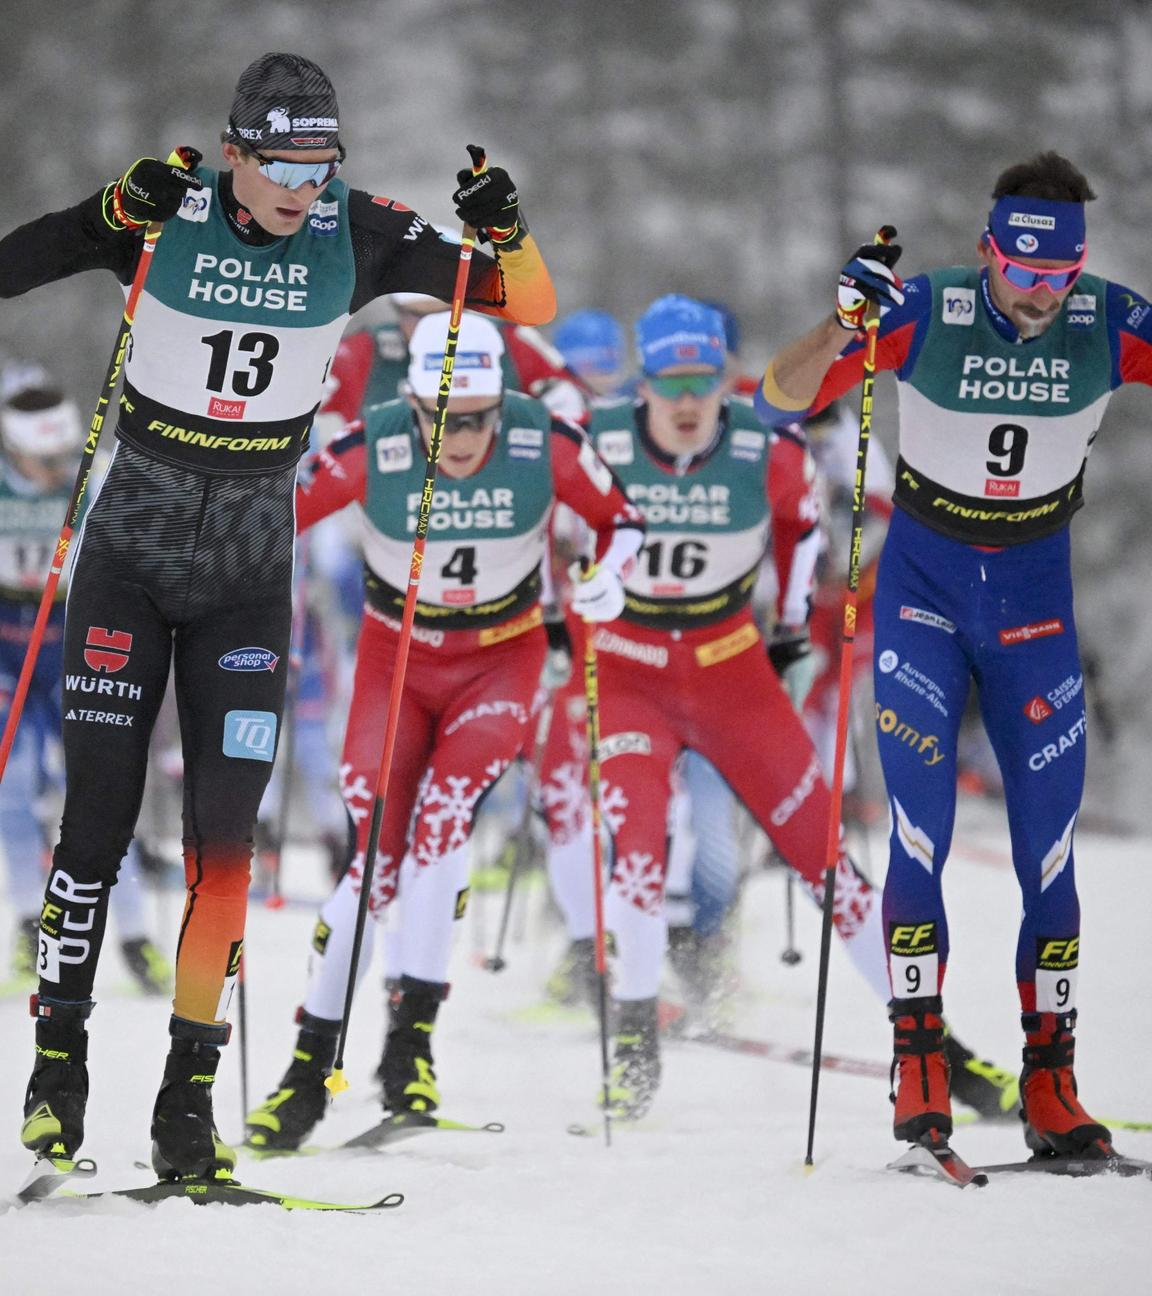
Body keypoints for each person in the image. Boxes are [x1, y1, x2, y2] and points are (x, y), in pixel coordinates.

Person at [0, 51, 556, 1181]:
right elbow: (17, 265)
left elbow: (528, 304)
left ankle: (186, 1105)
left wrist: (511, 231)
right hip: (131, 556)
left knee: (226, 845)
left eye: (325, 163)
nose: (307, 188)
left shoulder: (361, 231)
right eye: (287, 165)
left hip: (251, 573)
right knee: (96, 830)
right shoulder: (168, 210)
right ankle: (57, 1075)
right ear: (239, 153)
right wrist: (107, 214)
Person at [755, 151, 1147, 1159]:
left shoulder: (1110, 319)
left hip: (1035, 608)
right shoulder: (924, 309)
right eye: (1021, 272)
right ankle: (918, 1060)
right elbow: (777, 399)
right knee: (919, 833)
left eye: (1057, 276)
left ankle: (1051, 1082)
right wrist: (845, 323)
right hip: (923, 597)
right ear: (989, 252)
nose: (1038, 295)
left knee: (1048, 856)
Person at [543, 295, 1016, 1121]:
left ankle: (935, 1049)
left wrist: (794, 629)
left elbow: (802, 529)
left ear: (722, 380)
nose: (687, 403)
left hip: (732, 671)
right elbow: (546, 524)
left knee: (826, 859)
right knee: (641, 852)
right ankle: (633, 1046)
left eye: (701, 382)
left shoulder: (769, 448)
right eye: (668, 382)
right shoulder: (599, 439)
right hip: (627, 673)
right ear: (642, 380)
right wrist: (558, 616)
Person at [243, 311, 642, 1151]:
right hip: (397, 661)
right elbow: (267, 516)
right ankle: (309, 1069)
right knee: (376, 853)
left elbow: (623, 520)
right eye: (441, 419)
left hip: (501, 660)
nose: (459, 438)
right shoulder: (374, 443)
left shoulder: (543, 437)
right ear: (412, 403)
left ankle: (408, 1052)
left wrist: (609, 577)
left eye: (477, 419)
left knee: (444, 819)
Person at [0, 370, 173, 995]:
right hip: (7, 641)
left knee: (98, 790)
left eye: (62, 456)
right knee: (14, 786)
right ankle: (27, 923)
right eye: (42, 461)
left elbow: (140, 547)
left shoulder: (93, 472)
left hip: (78, 635)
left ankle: (131, 935)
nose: (55, 470)